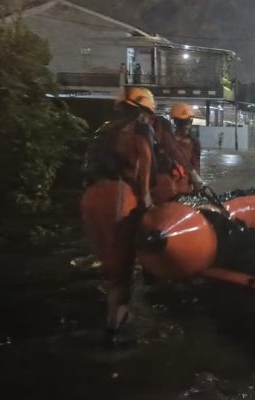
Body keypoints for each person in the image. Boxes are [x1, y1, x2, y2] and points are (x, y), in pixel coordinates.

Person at [79, 87, 157, 343]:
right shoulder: (140, 130)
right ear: (142, 111)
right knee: (122, 265)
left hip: (90, 196)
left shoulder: (103, 129)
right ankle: (115, 325)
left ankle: (112, 315)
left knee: (106, 259)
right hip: (118, 195)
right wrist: (146, 200)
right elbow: (145, 163)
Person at [150, 113, 205, 204]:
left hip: (173, 186)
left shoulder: (166, 141)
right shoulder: (189, 142)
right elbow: (195, 165)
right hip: (176, 186)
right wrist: (196, 179)